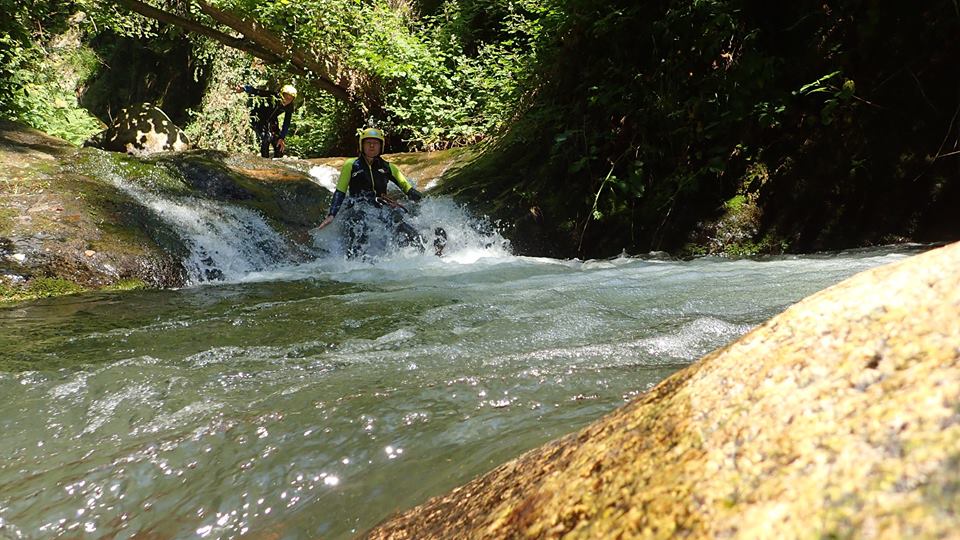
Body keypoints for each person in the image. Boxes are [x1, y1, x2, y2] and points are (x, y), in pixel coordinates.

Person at [315, 127, 439, 256]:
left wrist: (428, 205)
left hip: (380, 207)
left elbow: (408, 190)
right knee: (360, 222)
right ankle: (355, 260)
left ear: (381, 146)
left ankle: (427, 249)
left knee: (398, 222)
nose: (372, 146)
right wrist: (331, 214)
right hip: (357, 207)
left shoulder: (388, 167)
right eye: (368, 143)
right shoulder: (351, 165)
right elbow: (340, 191)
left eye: (376, 143)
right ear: (362, 145)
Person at [238, 83, 296, 158]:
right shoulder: (272, 96)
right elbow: (256, 91)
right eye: (286, 97)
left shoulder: (289, 106)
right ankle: (264, 161)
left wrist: (282, 137)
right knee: (266, 138)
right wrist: (244, 88)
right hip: (258, 117)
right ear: (281, 94)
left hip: (272, 120)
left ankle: (278, 165)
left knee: (278, 142)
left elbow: (286, 122)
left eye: (290, 99)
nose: (287, 100)